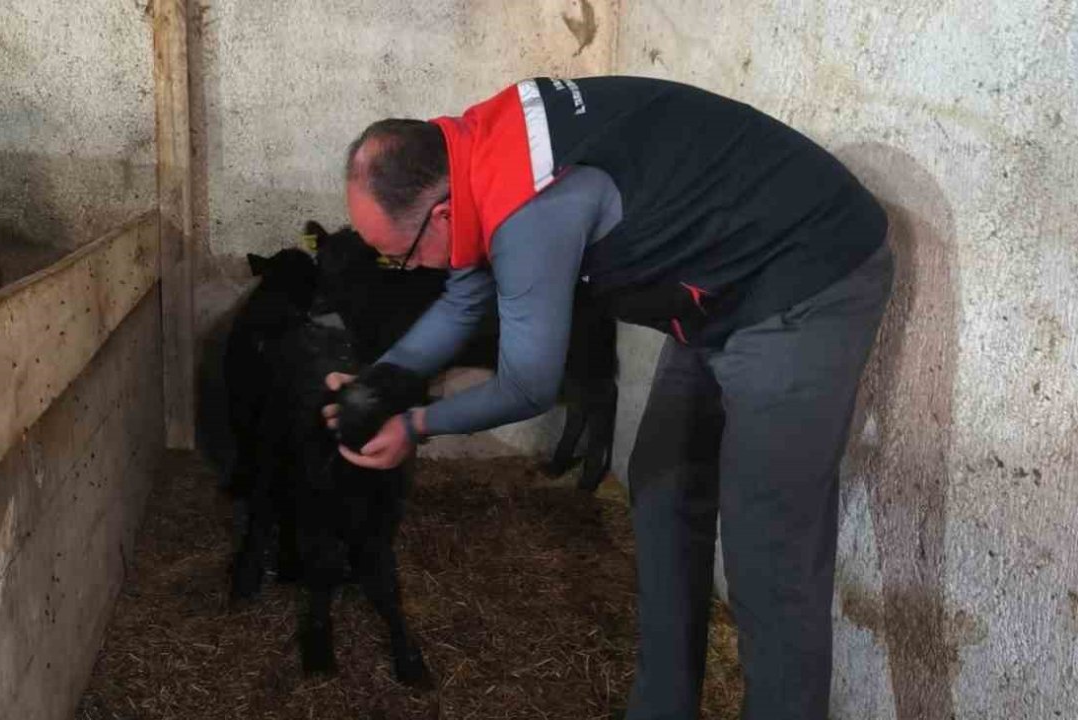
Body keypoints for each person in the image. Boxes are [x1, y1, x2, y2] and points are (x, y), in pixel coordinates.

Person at [322, 76, 893, 720]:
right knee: (663, 484)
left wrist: (416, 424)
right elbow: (464, 299)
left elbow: (528, 384)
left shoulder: (527, 204)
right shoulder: (470, 154)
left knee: (768, 550)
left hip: (802, 272)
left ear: (442, 212)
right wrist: (379, 382)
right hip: (719, 285)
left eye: (402, 258)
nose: (415, 270)